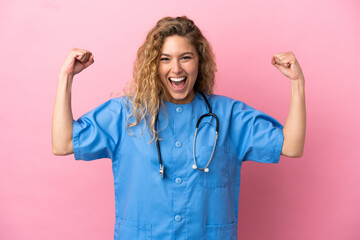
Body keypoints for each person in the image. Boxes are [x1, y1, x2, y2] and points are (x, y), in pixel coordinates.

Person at [52, 16, 306, 240]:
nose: (176, 69)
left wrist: (297, 84)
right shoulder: (125, 114)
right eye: (165, 59)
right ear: (154, 65)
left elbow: (291, 146)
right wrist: (66, 77)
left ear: (199, 61)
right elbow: (63, 143)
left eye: (185, 57)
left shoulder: (229, 116)